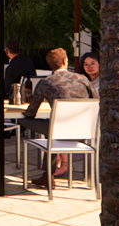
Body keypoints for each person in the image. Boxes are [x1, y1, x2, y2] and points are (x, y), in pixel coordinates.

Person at [20, 47, 96, 188]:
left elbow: (31, 112)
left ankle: (47, 175)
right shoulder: (83, 79)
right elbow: (96, 101)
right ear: (65, 61)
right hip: (83, 132)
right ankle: (47, 175)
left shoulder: (45, 82)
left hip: (58, 131)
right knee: (53, 132)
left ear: (50, 66)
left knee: (25, 120)